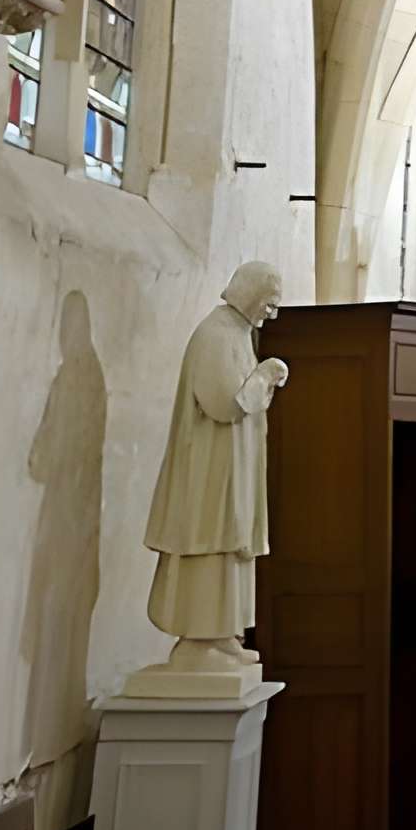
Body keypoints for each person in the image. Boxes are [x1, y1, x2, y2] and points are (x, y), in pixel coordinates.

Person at [143, 262, 288, 674]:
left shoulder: (238, 334)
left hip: (231, 468)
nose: (271, 314)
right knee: (211, 542)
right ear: (249, 294)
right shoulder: (216, 335)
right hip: (209, 474)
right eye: (269, 304)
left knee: (230, 545)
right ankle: (198, 637)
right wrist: (264, 375)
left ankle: (222, 635)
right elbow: (223, 403)